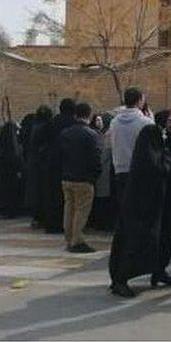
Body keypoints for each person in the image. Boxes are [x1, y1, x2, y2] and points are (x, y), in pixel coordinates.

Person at [108, 124, 171, 297]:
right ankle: (121, 280)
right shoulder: (150, 157)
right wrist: (167, 156)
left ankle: (159, 271)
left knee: (160, 241)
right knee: (135, 245)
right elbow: (161, 169)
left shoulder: (146, 153)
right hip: (141, 212)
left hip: (155, 208)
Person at [59, 103, 103, 253]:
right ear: (89, 115)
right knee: (81, 211)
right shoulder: (91, 135)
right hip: (84, 178)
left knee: (69, 209)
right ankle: (77, 240)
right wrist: (95, 175)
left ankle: (69, 238)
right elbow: (97, 158)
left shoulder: (65, 133)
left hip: (67, 177)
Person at [108, 88, 154, 224]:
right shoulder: (146, 122)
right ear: (140, 100)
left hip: (120, 169)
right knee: (140, 210)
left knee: (124, 209)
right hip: (140, 171)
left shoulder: (114, 122)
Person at [38, 98, 78, 233]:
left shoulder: (51, 122)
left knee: (52, 196)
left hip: (51, 163)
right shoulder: (74, 124)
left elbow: (40, 141)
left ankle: (51, 224)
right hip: (70, 164)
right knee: (68, 200)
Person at [22, 106, 52, 226]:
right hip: (42, 164)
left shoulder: (31, 127)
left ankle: (36, 218)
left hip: (32, 163)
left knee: (34, 192)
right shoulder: (46, 127)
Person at [0, 120, 24, 218]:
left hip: (0, 176)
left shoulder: (0, 145)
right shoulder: (13, 146)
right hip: (11, 176)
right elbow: (16, 159)